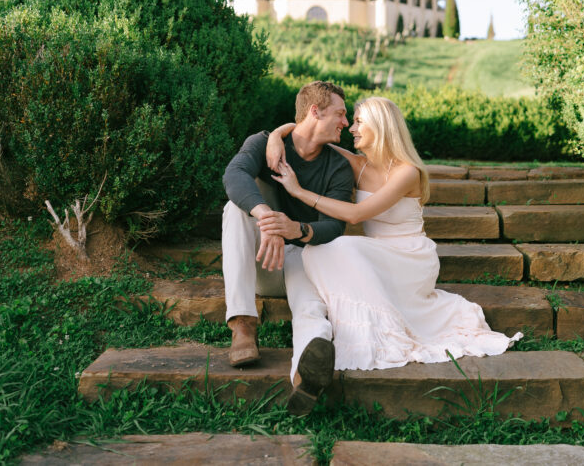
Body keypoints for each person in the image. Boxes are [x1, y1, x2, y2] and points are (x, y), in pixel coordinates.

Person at [267, 96, 521, 375]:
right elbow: (307, 132)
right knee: (317, 250)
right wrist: (278, 134)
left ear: (381, 126)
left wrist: (299, 192)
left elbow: (356, 215)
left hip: (409, 258)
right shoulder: (357, 164)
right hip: (375, 258)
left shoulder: (407, 172)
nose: (351, 128)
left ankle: (368, 333)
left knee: (334, 247)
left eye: (359, 122)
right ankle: (349, 328)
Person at [220, 80, 355, 416]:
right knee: (233, 210)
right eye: (340, 114)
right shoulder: (264, 144)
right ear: (315, 111)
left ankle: (304, 377)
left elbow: (336, 225)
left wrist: (296, 229)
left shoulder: (337, 167)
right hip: (264, 261)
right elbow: (234, 174)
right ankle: (242, 324)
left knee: (310, 308)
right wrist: (266, 217)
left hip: (305, 258)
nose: (346, 123)